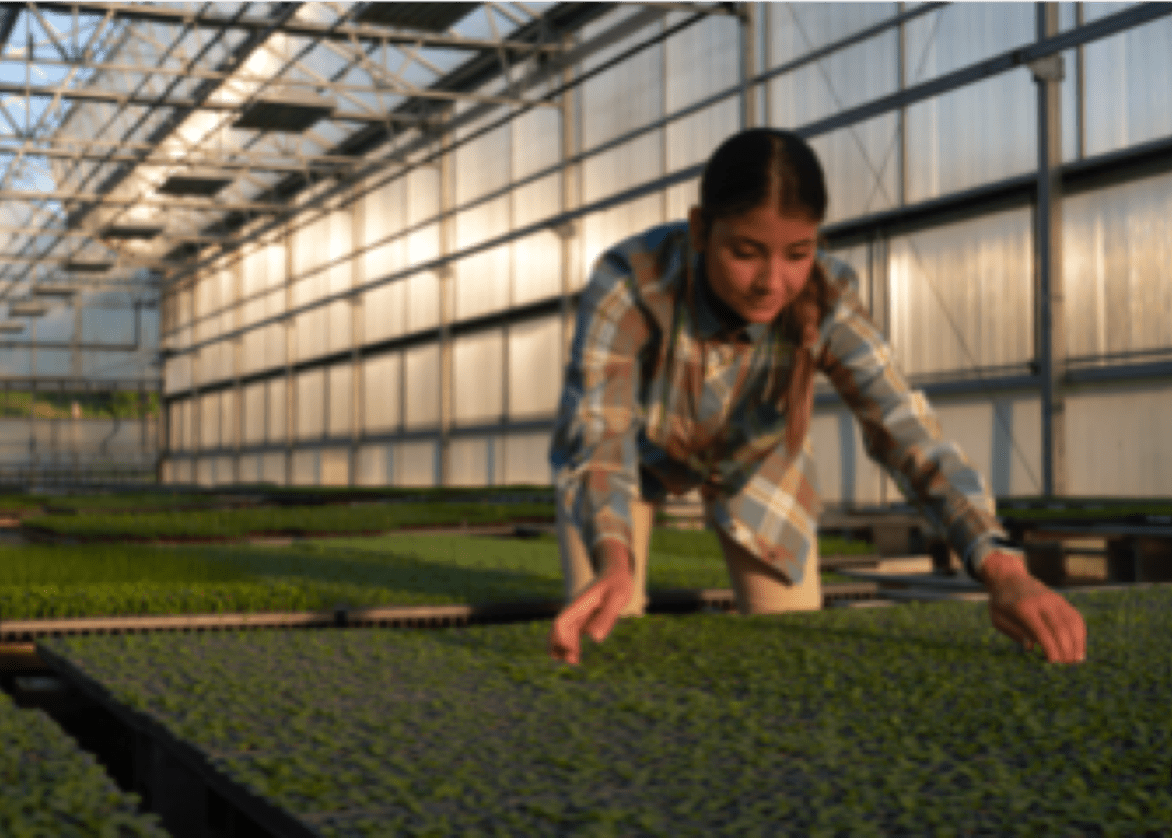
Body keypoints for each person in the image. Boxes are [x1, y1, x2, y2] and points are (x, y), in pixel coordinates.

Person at [547, 127, 1086, 666]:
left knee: (792, 647)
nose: (772, 282)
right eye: (746, 252)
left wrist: (1003, 569)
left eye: (797, 254)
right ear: (700, 230)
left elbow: (905, 429)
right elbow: (598, 435)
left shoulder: (828, 296)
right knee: (606, 626)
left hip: (759, 461)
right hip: (630, 461)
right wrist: (614, 563)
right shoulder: (632, 282)